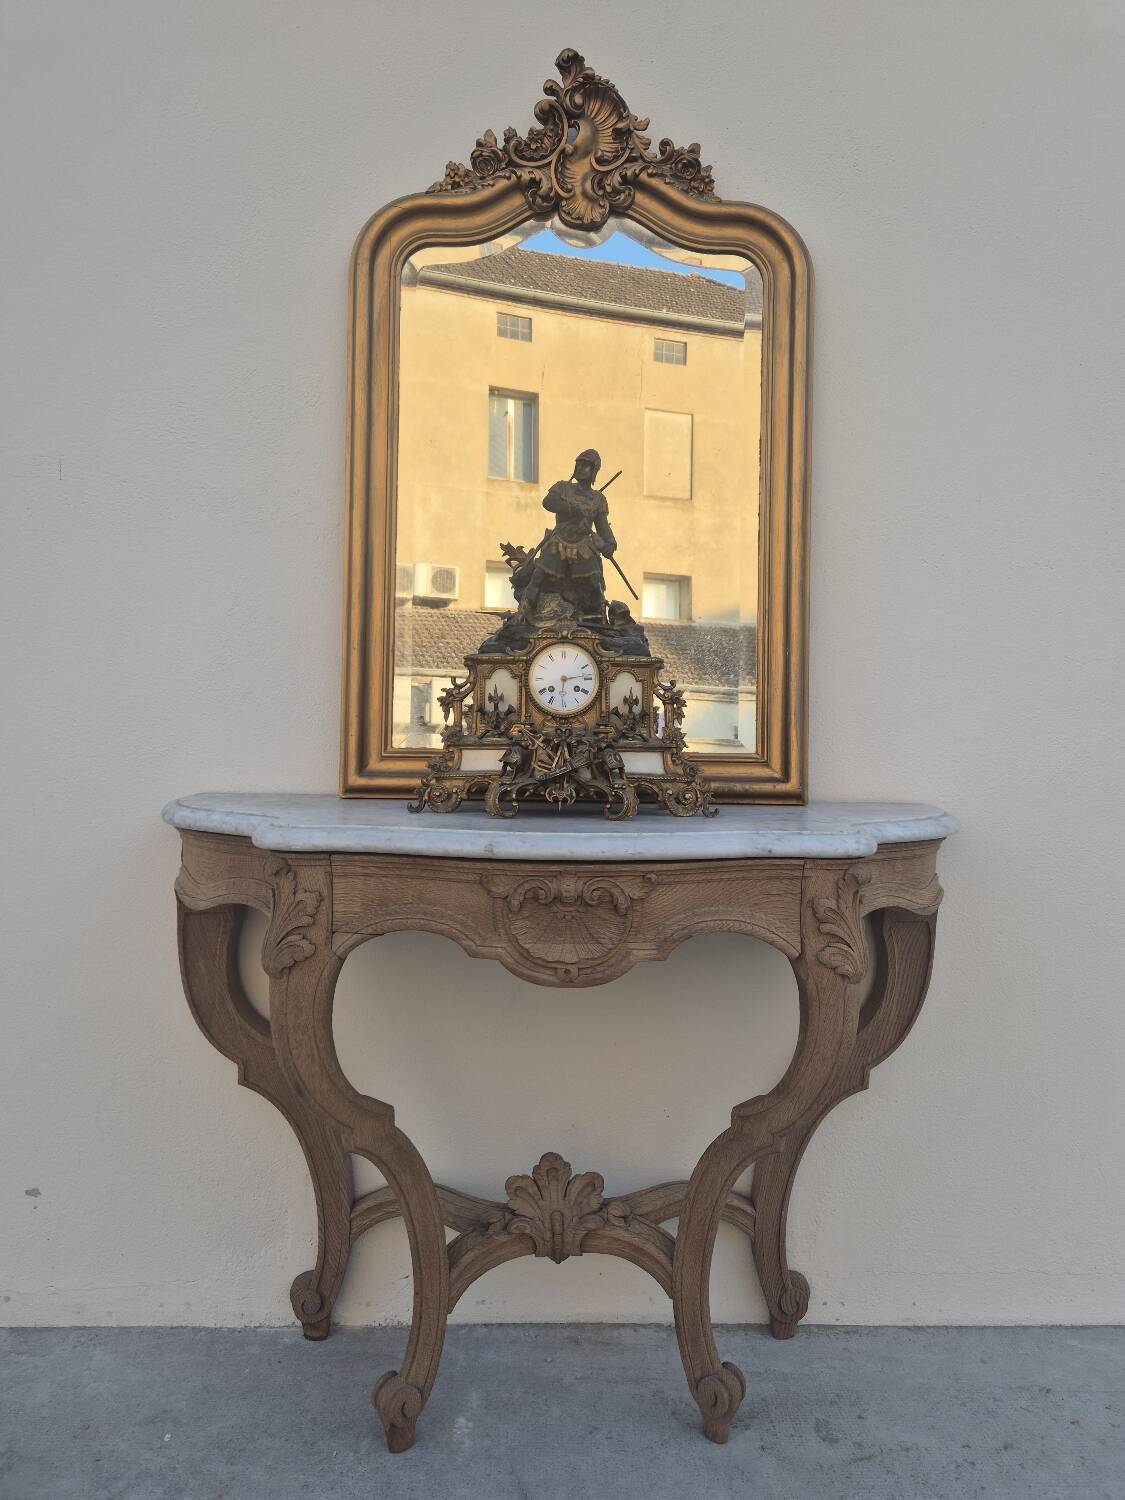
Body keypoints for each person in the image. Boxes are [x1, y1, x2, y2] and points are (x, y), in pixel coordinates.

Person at [518, 449, 617, 622]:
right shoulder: (562, 487)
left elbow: (602, 526)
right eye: (578, 464)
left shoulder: (598, 499)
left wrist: (610, 543)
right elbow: (548, 502)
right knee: (539, 575)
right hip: (560, 541)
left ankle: (600, 614)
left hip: (583, 545)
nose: (580, 468)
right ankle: (525, 610)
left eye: (585, 465)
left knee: (595, 581)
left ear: (594, 470)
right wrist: (571, 509)